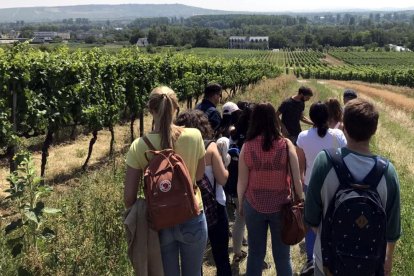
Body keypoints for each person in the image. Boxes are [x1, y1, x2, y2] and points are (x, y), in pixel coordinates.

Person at [304, 99, 401, 276]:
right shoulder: (388, 172)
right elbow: (393, 228)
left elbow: (311, 217)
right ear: (374, 131)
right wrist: (388, 259)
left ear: (344, 128)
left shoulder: (325, 161)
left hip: (328, 263)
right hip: (370, 265)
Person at [124, 86, 207, 276]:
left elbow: (128, 198)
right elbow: (200, 176)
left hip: (159, 221)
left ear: (151, 111)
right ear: (176, 108)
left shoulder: (139, 146)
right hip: (192, 214)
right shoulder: (194, 136)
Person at [238, 103, 304, 276]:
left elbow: (242, 181)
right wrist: (300, 199)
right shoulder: (286, 144)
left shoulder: (247, 146)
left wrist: (239, 203)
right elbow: (296, 179)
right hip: (281, 206)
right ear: (275, 120)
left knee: (255, 254)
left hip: (253, 204)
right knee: (283, 257)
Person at [175, 109, 232, 276]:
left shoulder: (176, 147)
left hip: (188, 206)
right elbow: (222, 179)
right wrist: (226, 166)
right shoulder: (210, 146)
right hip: (215, 205)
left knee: (194, 259)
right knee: (221, 255)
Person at [296, 102, 347, 276]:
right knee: (334, 220)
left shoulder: (303, 137)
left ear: (311, 118)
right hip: (335, 184)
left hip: (311, 183)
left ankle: (311, 260)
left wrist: (301, 184)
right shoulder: (338, 135)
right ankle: (332, 255)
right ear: (328, 117)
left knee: (311, 222)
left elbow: (300, 165)